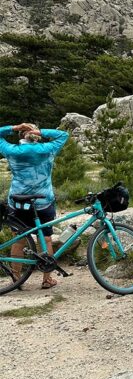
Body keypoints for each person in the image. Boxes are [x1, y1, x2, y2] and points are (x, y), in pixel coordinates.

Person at [0, 123, 69, 289]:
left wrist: (15, 127)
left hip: (18, 201)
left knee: (20, 239)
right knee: (45, 238)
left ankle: (16, 279)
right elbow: (63, 135)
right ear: (36, 135)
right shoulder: (48, 149)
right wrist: (41, 131)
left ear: (21, 135)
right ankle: (47, 279)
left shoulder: (12, 151)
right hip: (43, 201)